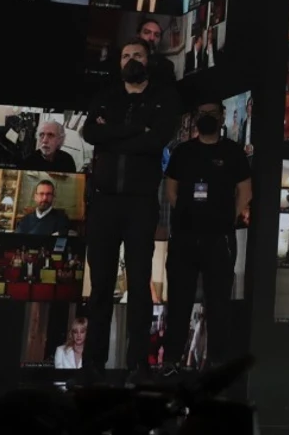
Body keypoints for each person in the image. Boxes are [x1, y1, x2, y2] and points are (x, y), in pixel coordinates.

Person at [76, 44, 177, 384]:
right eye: (125, 56)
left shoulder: (163, 98)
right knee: (101, 287)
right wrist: (136, 130)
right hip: (104, 203)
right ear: (118, 64)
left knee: (138, 284)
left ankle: (139, 365)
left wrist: (113, 136)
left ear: (149, 61)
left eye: (138, 55)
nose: (131, 60)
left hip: (140, 204)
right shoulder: (106, 96)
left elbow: (157, 141)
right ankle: (92, 363)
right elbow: (91, 134)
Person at [160, 99, 251, 376]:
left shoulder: (233, 152)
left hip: (219, 238)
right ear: (195, 117)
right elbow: (170, 191)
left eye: (212, 113)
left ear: (222, 117)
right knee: (178, 300)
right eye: (202, 114)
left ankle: (216, 363)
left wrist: (226, 218)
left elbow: (245, 192)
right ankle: (171, 361)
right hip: (185, 237)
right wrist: (190, 215)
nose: (207, 117)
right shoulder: (182, 152)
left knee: (219, 303)